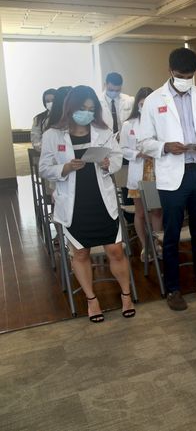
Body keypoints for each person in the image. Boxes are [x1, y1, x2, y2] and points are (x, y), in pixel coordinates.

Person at [38, 85, 135, 322]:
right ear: (71, 108)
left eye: (92, 109)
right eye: (83, 108)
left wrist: (107, 164)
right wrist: (65, 167)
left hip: (101, 200)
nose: (87, 113)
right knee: (80, 253)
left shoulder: (103, 131)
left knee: (115, 250)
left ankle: (126, 295)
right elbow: (44, 168)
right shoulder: (53, 134)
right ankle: (92, 300)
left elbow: (116, 157)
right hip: (74, 203)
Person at [138, 47, 196, 311]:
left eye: (190, 75)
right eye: (181, 75)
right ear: (170, 71)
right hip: (173, 175)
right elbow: (143, 141)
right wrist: (164, 147)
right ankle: (173, 289)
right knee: (171, 234)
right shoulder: (153, 101)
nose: (186, 79)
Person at [118, 87, 163, 262]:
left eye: (148, 104)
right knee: (141, 213)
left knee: (157, 212)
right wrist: (138, 154)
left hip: (157, 171)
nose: (144, 107)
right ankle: (145, 247)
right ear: (137, 104)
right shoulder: (129, 125)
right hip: (138, 171)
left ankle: (157, 244)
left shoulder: (160, 122)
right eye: (142, 104)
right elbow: (122, 149)